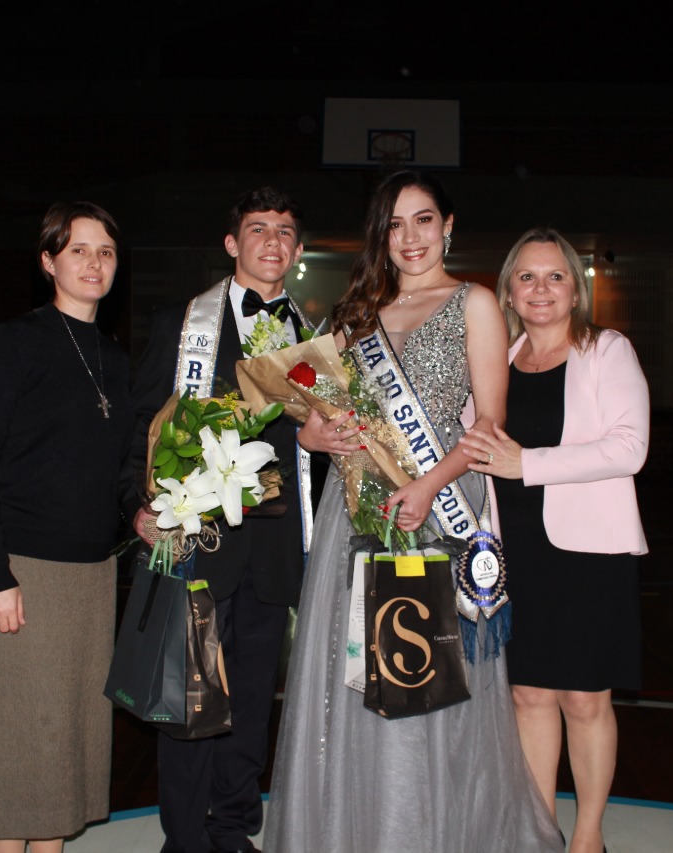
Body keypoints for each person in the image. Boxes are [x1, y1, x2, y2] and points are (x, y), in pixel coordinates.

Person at [263, 171, 564, 852]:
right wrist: (313, 434)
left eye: (423, 220)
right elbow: (312, 405)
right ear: (381, 236)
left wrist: (429, 485)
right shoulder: (355, 313)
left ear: (448, 226)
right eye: (395, 225)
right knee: (358, 677)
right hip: (361, 514)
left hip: (436, 509)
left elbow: (490, 422)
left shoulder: (474, 302)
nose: (410, 238)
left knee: (424, 686)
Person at [123, 187, 315, 853]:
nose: (274, 241)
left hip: (274, 552)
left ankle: (232, 826)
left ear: (296, 248)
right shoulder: (183, 325)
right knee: (192, 702)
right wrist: (140, 507)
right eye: (259, 228)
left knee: (255, 698)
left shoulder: (310, 336)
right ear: (232, 244)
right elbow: (139, 429)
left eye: (286, 230)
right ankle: (185, 838)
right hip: (201, 545)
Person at [458, 227, 649, 853]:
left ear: (576, 290)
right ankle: (541, 833)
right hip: (512, 555)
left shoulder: (607, 350)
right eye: (527, 276)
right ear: (508, 291)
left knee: (586, 701)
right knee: (529, 695)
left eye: (555, 276)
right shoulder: (497, 360)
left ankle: (588, 837)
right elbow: (466, 447)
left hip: (589, 555)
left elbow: (630, 448)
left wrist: (527, 465)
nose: (541, 288)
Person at [0, 202, 134, 853]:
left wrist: (145, 506)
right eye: (79, 249)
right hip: (22, 571)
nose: (94, 263)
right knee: (19, 744)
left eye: (106, 251)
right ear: (48, 261)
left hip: (92, 576)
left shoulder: (115, 359)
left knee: (66, 743)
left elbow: (115, 473)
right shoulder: (15, 342)